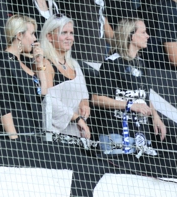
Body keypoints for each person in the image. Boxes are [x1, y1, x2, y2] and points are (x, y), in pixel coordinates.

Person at [90, 19, 167, 155]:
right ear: (131, 36)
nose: (147, 36)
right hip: (116, 136)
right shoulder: (111, 64)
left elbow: (143, 96)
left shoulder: (142, 64)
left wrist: (156, 116)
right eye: (143, 32)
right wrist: (130, 105)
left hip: (141, 137)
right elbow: (97, 99)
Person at [0, 15, 48, 139]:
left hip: (34, 132)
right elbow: (3, 105)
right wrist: (14, 138)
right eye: (32, 34)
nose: (35, 39)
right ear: (19, 35)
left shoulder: (23, 62)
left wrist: (40, 64)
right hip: (19, 136)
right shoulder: (2, 62)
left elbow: (43, 92)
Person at [39, 15, 91, 139]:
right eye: (64, 33)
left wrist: (85, 105)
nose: (69, 37)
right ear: (49, 37)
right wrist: (76, 118)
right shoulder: (45, 64)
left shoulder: (75, 64)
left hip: (77, 132)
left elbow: (84, 95)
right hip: (56, 135)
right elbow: (48, 99)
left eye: (71, 33)